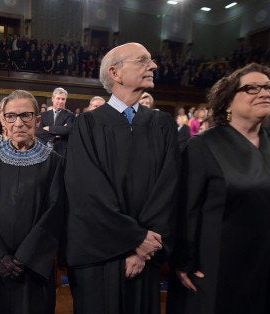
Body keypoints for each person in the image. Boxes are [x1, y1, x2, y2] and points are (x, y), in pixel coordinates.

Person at [168, 63, 270, 314]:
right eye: (252, 88)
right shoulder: (204, 145)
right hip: (220, 270)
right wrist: (184, 260)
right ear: (227, 101)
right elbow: (186, 210)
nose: (265, 93)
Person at [65, 42, 179, 314]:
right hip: (99, 255)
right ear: (115, 73)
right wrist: (135, 239)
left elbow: (169, 187)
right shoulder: (87, 124)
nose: (153, 66)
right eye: (142, 60)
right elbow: (87, 191)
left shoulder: (162, 124)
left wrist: (144, 248)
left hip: (147, 255)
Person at [0, 90, 65, 314]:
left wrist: (25, 258)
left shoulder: (55, 163)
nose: (18, 122)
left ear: (37, 120)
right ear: (2, 120)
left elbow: (54, 213)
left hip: (33, 268)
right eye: (11, 116)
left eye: (26, 115)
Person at [38, 87, 75, 155]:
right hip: (45, 149)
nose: (60, 101)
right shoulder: (44, 115)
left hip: (62, 151)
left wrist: (49, 128)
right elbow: (40, 133)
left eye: (63, 99)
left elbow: (67, 131)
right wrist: (58, 133)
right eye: (58, 98)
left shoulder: (70, 115)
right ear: (52, 99)